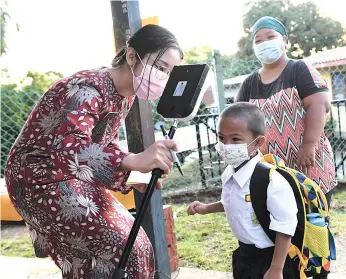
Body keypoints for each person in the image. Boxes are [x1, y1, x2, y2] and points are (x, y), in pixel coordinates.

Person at [4, 24, 183, 279]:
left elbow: (100, 142)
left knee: (123, 250)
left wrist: (134, 173)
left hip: (70, 176)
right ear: (131, 56)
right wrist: (133, 159)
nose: (163, 77)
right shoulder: (87, 88)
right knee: (122, 247)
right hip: (38, 180)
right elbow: (69, 148)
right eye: (161, 67)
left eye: (170, 72)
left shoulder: (124, 96)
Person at [187, 102, 299, 279]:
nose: (226, 145)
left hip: (273, 259)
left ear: (258, 142)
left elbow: (285, 227)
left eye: (235, 139)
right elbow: (234, 202)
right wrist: (206, 208)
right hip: (245, 256)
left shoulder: (272, 181)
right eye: (222, 138)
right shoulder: (229, 173)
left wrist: (276, 269)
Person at [236, 16, 336, 209]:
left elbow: (319, 104)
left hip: (309, 165)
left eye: (270, 36)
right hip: (272, 174)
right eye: (258, 41)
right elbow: (239, 122)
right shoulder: (249, 83)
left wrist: (309, 145)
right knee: (280, 231)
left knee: (313, 227)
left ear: (284, 40)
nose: (264, 43)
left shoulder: (299, 69)